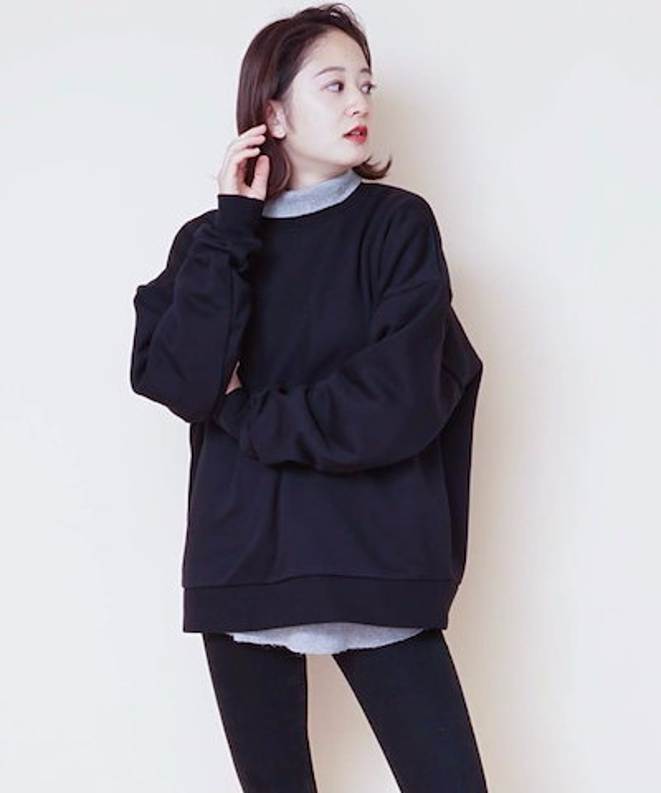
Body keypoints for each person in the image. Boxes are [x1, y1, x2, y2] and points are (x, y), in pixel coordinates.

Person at [129, 3, 488, 791]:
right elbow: (178, 378)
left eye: (365, 84)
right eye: (334, 84)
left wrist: (241, 408)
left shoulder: (396, 226)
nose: (359, 101)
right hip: (243, 563)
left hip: (375, 558)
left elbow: (390, 404)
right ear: (273, 112)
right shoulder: (209, 243)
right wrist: (233, 225)